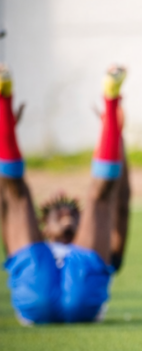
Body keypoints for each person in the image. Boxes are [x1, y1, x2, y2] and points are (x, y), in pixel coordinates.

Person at [1, 64, 131, 324]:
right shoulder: (35, 244)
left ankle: (111, 96)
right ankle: (4, 98)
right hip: (40, 294)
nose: (66, 214)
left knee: (98, 196)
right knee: (17, 195)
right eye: (59, 213)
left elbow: (121, 204)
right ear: (43, 228)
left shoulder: (103, 251)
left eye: (73, 212)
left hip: (74, 295)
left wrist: (117, 136)